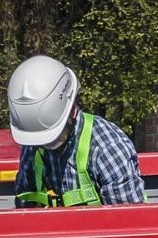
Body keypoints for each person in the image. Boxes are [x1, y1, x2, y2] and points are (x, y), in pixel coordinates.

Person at [8, 55, 145, 207]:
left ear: (72, 110)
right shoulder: (33, 143)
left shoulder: (108, 150)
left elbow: (126, 224)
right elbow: (23, 210)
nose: (43, 144)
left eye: (51, 136)